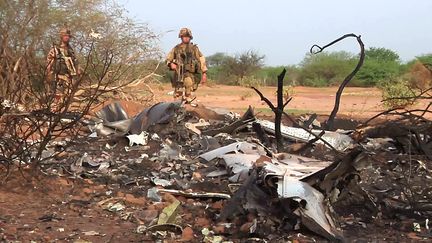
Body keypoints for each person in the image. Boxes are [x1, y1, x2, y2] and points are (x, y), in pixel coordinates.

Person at [166, 28, 208, 103]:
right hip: (179, 75)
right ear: (181, 37)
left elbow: (202, 60)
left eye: (187, 36)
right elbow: (168, 58)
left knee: (189, 96)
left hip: (190, 75)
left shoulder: (194, 49)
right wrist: (171, 64)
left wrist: (204, 73)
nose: (186, 38)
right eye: (184, 36)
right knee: (178, 96)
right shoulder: (176, 48)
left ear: (190, 37)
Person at [46, 27, 80, 101]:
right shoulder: (55, 49)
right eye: (65, 35)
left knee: (68, 98)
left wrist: (78, 71)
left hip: (69, 78)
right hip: (58, 77)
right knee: (57, 97)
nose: (67, 37)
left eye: (68, 36)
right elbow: (49, 64)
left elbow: (75, 63)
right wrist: (49, 75)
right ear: (61, 37)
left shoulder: (71, 50)